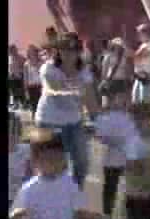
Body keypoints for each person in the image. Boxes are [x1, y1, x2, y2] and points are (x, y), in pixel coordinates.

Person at [35, 32, 100, 189]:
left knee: (82, 161)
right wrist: (81, 88)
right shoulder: (48, 69)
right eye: (64, 49)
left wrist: (98, 120)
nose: (69, 54)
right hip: (49, 121)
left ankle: (74, 194)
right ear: (58, 51)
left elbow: (90, 99)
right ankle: (46, 194)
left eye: (73, 50)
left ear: (79, 51)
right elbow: (57, 89)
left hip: (74, 121)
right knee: (52, 163)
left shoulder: (84, 71)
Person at [94, 91, 139, 219]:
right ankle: (107, 215)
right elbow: (100, 135)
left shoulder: (131, 118)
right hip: (110, 160)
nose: (123, 102)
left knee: (127, 188)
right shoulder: (105, 117)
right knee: (110, 188)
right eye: (119, 99)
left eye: (126, 99)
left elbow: (135, 136)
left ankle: (126, 216)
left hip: (126, 159)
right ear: (111, 100)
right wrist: (115, 140)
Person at [99, 37, 131, 109]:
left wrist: (128, 80)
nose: (118, 47)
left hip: (121, 81)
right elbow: (104, 70)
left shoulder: (124, 57)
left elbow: (127, 69)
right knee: (109, 104)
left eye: (119, 45)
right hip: (111, 81)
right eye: (116, 45)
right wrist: (104, 81)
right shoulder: (108, 56)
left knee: (119, 103)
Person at [132, 24, 150, 106]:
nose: (138, 36)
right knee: (136, 98)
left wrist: (124, 47)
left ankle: (145, 117)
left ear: (146, 34)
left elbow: (137, 56)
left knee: (144, 101)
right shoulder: (143, 45)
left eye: (139, 33)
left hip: (147, 76)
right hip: (140, 76)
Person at [23, 45, 43, 120]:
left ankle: (42, 118)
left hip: (40, 85)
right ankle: (35, 118)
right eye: (30, 51)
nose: (32, 53)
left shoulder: (41, 62)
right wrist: (25, 90)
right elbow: (25, 78)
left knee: (42, 103)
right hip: (31, 87)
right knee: (33, 103)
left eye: (33, 51)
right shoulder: (26, 64)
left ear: (36, 52)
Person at [9, 45, 26, 109]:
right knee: (13, 92)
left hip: (19, 77)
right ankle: (14, 104)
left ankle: (23, 103)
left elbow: (25, 67)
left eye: (14, 50)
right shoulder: (9, 58)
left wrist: (20, 71)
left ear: (16, 50)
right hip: (11, 78)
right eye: (11, 50)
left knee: (21, 91)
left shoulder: (21, 57)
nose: (12, 51)